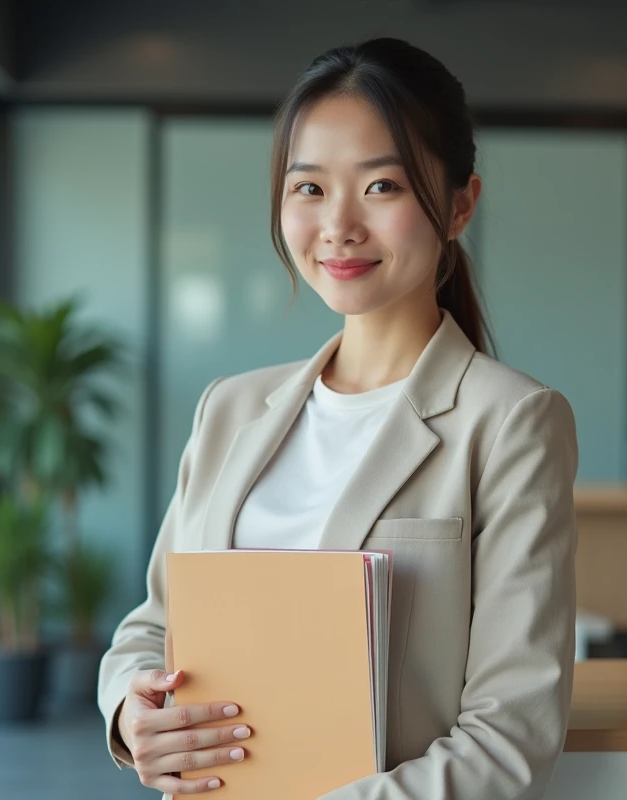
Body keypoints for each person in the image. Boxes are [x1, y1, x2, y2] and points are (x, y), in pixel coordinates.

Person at [98, 37, 578, 799]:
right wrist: (132, 714)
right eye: (309, 188)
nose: (339, 226)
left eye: (382, 186)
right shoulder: (229, 409)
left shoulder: (512, 422)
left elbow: (512, 735)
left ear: (460, 205)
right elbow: (151, 629)